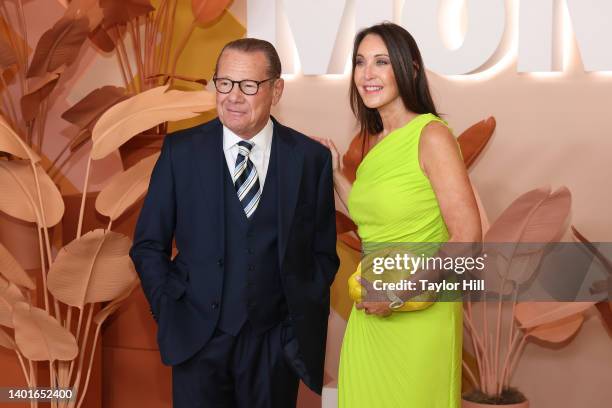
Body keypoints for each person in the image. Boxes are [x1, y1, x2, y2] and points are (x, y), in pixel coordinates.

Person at [129, 38, 339, 408]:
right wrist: (170, 308)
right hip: (197, 342)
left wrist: (292, 322)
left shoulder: (309, 159)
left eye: (248, 85)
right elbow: (148, 245)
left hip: (274, 347)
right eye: (224, 83)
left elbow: (322, 254)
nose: (233, 96)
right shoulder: (180, 152)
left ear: (276, 90)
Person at [318, 23, 482, 407]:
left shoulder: (432, 136)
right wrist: (334, 173)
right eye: (360, 62)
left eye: (381, 62)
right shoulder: (374, 142)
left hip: (419, 314)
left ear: (409, 69)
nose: (367, 74)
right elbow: (373, 218)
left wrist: (395, 293)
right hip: (370, 316)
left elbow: (467, 236)